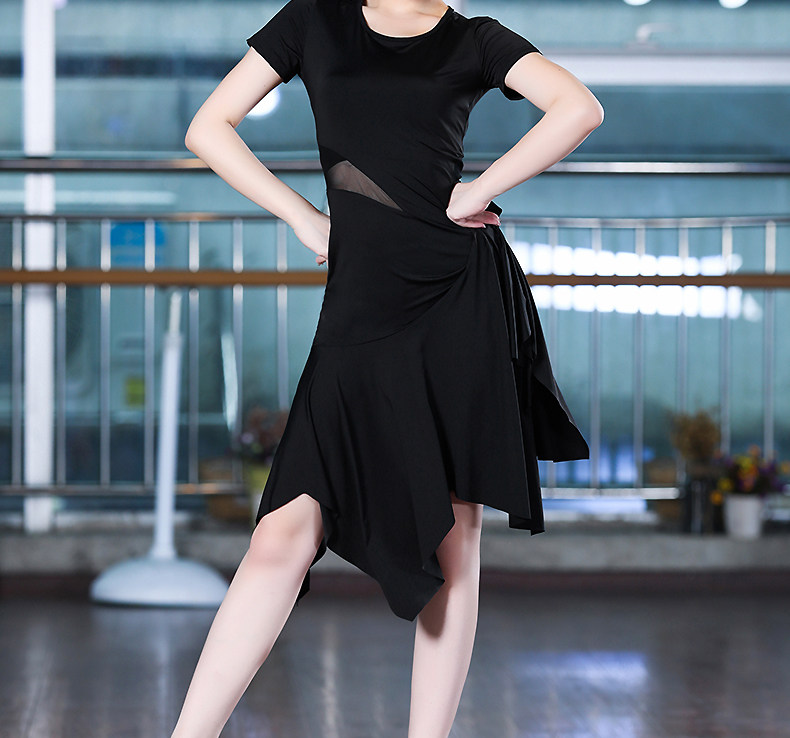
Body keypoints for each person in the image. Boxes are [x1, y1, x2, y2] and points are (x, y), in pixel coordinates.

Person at [173, 1, 602, 736]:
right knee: (281, 535)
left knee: (452, 539)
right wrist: (302, 217)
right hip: (361, 302)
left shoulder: (475, 38)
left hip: (456, 298)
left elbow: (579, 107)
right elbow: (208, 127)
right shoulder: (315, 20)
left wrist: (476, 190)